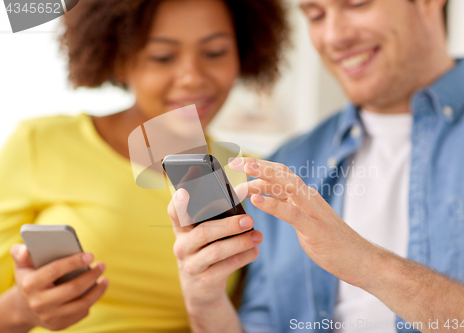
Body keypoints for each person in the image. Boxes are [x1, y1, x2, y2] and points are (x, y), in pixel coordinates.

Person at [167, 0, 464, 332]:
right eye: (316, 15)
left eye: (356, 4)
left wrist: (371, 267)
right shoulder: (289, 163)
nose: (334, 36)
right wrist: (205, 302)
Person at [0, 0, 289, 332]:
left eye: (215, 52)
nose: (193, 77)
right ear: (119, 60)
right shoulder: (39, 143)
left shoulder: (252, 173)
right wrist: (23, 310)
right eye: (162, 57)